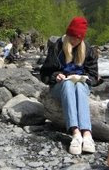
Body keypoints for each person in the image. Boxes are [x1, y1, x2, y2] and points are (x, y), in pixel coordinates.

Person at [40, 16, 99, 155]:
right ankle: (75, 133)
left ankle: (87, 134)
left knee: (78, 86)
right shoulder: (57, 47)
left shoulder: (88, 49)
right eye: (72, 37)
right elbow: (44, 73)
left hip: (80, 85)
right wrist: (55, 76)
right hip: (60, 86)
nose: (75, 41)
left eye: (78, 39)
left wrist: (84, 78)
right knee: (68, 85)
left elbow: (94, 76)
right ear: (68, 34)